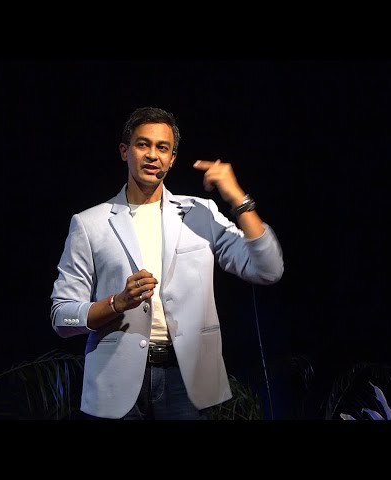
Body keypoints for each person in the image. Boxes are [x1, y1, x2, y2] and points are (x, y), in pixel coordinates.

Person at [50, 106, 284, 420]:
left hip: (185, 382)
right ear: (124, 151)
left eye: (162, 148)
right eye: (142, 144)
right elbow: (62, 315)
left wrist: (238, 199)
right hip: (115, 381)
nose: (152, 155)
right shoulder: (89, 223)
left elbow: (268, 269)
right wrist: (117, 303)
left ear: (172, 158)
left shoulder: (200, 212)